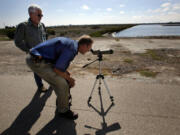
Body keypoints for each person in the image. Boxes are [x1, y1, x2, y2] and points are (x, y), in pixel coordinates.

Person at [26, 35, 93, 120]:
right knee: (63, 84)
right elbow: (57, 70)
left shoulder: (72, 44)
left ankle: (62, 103)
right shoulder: (71, 49)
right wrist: (70, 80)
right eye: (89, 48)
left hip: (39, 58)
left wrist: (66, 74)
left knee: (62, 81)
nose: (89, 50)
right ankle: (63, 111)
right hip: (36, 61)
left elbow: (59, 64)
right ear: (84, 45)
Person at [14, 4, 48, 92]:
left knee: (49, 67)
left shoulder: (42, 25)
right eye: (39, 15)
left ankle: (52, 82)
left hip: (45, 51)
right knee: (37, 71)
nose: (41, 17)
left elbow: (45, 37)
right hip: (34, 54)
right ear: (31, 14)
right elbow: (18, 42)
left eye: (41, 15)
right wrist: (29, 50)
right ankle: (40, 86)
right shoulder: (23, 26)